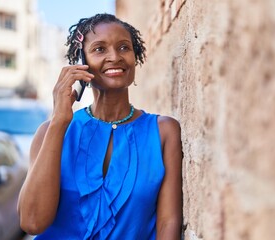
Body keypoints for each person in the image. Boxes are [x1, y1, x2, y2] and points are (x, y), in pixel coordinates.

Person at [17, 13, 183, 240]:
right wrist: (59, 121)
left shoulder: (164, 131)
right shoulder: (50, 132)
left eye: (124, 47)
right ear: (80, 62)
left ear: (136, 57)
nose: (115, 57)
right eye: (99, 49)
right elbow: (32, 222)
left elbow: (168, 222)